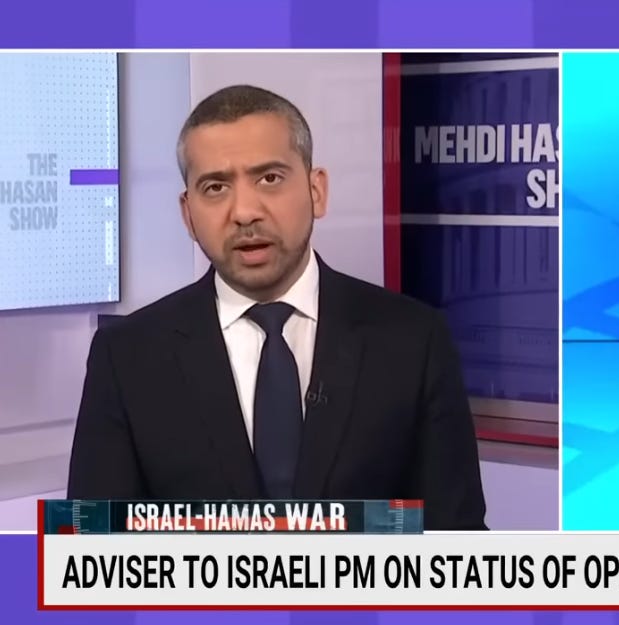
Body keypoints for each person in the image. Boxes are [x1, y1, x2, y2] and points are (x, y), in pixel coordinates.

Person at [67, 85, 488, 531]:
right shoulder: (127, 356)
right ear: (188, 214)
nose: (245, 212)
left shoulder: (412, 340)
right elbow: (91, 546)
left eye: (269, 178)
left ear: (316, 190)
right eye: (215, 187)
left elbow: (456, 539)